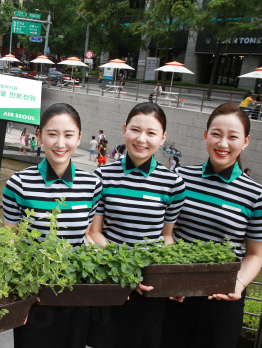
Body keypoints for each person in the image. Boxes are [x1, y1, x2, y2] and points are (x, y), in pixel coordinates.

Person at [161, 102, 262, 348]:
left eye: (233, 137)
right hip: (176, 294)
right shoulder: (180, 179)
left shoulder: (258, 195)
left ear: (245, 141)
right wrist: (172, 276)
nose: (222, 144)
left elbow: (255, 255)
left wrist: (239, 283)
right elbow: (165, 233)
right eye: (216, 134)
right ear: (205, 135)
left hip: (223, 299)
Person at [86, 102, 185, 348]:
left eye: (151, 133)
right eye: (135, 130)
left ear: (163, 138)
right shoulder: (103, 176)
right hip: (110, 280)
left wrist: (173, 277)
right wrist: (125, 270)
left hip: (151, 285)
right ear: (124, 130)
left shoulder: (173, 183)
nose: (142, 139)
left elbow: (167, 237)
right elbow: (94, 232)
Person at [3, 103, 102, 348]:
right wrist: (18, 293)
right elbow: (10, 240)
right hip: (33, 295)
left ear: (79, 138)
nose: (60, 143)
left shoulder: (92, 185)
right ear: (39, 137)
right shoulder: (19, 183)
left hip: (76, 294)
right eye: (52, 134)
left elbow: (86, 236)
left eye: (69, 135)